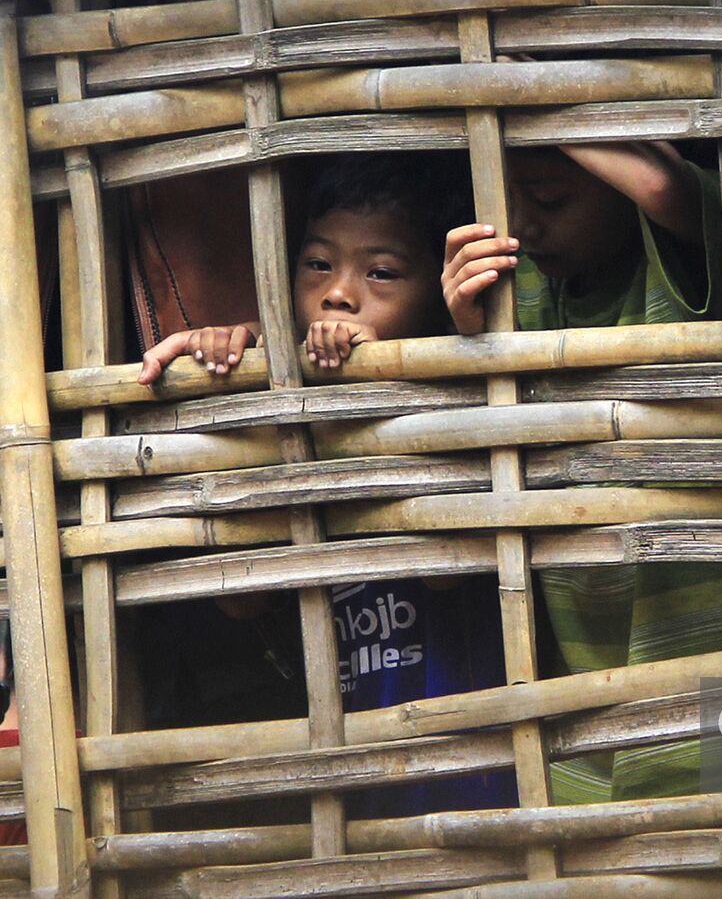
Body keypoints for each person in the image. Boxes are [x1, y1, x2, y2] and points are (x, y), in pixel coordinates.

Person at [137, 153, 515, 817]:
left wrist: (378, 385)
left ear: (437, 297)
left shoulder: (460, 407)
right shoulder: (292, 426)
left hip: (469, 781)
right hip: (347, 782)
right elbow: (240, 603)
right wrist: (246, 367)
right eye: (318, 264)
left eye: (382, 272)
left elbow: (447, 571)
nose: (339, 293)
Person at [447, 140, 722, 803]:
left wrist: (538, 93)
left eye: (548, 199)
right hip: (583, 699)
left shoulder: (694, 267)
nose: (523, 224)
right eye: (505, 199)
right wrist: (467, 323)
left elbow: (665, 188)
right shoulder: (526, 292)